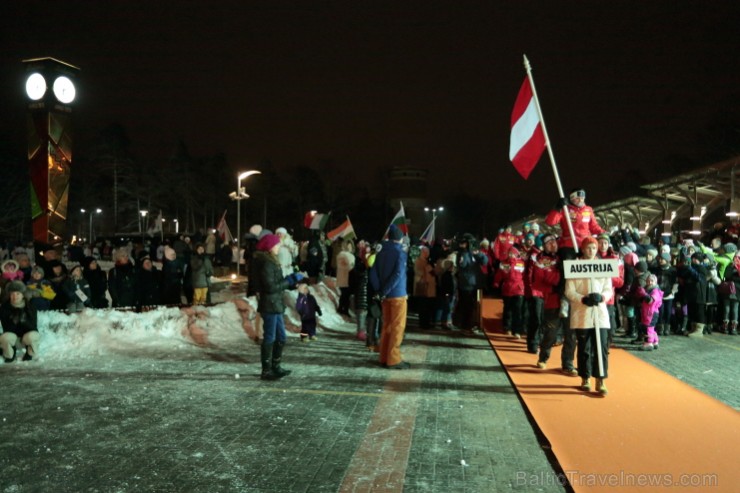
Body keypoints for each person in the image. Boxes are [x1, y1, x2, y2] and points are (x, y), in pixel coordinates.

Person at [564, 236, 613, 395]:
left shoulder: (603, 267)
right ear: (583, 249)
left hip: (600, 313)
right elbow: (569, 291)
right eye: (588, 248)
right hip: (582, 313)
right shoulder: (574, 267)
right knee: (584, 347)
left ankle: (601, 379)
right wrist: (582, 299)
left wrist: (602, 297)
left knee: (602, 347)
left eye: (594, 247)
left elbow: (608, 288)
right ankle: (585, 377)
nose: (591, 251)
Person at [254, 233, 304, 380]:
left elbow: (278, 283)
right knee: (270, 337)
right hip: (269, 305)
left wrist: (291, 280)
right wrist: (290, 280)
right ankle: (266, 370)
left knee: (281, 337)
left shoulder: (272, 261)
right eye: (277, 245)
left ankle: (276, 366)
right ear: (269, 247)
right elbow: (270, 287)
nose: (279, 246)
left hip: (276, 304)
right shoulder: (266, 263)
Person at [369, 224, 409, 369]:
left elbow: (372, 272)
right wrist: (385, 290)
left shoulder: (379, 252)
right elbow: (398, 275)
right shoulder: (400, 253)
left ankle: (384, 356)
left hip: (384, 295)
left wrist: (380, 291)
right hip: (397, 294)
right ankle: (394, 359)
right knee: (397, 327)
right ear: (399, 239)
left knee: (387, 326)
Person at [528, 234, 562, 367]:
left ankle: (568, 364)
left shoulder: (563, 255)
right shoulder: (541, 259)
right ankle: (543, 358)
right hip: (551, 297)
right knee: (550, 331)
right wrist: (560, 277)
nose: (552, 244)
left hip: (569, 297)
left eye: (554, 241)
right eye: (548, 243)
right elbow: (544, 277)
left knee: (570, 335)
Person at [545, 188, 605, 258]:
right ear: (572, 198)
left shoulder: (588, 209)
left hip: (585, 244)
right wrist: (557, 208)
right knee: (568, 265)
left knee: (596, 261)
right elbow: (550, 222)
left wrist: (603, 233)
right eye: (578, 198)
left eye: (582, 198)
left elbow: (594, 226)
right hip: (569, 245)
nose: (581, 200)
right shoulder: (565, 209)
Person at [0, 281, 39, 362]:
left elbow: (33, 327)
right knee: (5, 337)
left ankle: (29, 353)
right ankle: (9, 355)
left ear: (22, 295)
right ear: (9, 295)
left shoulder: (30, 307)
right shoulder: (4, 308)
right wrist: (14, 320)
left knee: (34, 336)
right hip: (13, 338)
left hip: (26, 337)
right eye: (12, 294)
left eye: (18, 294)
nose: (15, 296)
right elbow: (6, 329)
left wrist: (23, 320)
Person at [636, 274, 663, 350]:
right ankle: (655, 341)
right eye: (648, 281)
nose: (650, 282)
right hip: (648, 312)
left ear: (655, 282)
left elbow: (650, 300)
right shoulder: (649, 290)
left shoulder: (655, 291)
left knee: (648, 328)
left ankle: (648, 343)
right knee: (651, 328)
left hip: (651, 313)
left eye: (652, 281)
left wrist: (644, 294)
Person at [335, 239, 356, 317]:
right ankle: (343, 309)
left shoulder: (347, 255)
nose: (350, 247)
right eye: (348, 246)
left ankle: (343, 308)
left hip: (347, 277)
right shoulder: (344, 255)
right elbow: (347, 266)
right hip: (345, 276)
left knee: (346, 294)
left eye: (351, 246)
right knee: (345, 294)